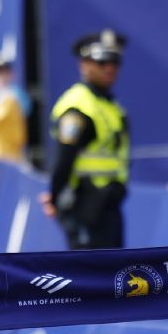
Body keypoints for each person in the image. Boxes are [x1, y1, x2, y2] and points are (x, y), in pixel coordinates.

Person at [40, 30, 130, 249]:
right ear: (84, 64)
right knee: (91, 276)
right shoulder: (78, 107)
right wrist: (53, 196)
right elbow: (64, 158)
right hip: (85, 206)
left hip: (108, 204)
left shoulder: (109, 104)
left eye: (115, 62)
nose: (110, 68)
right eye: (102, 62)